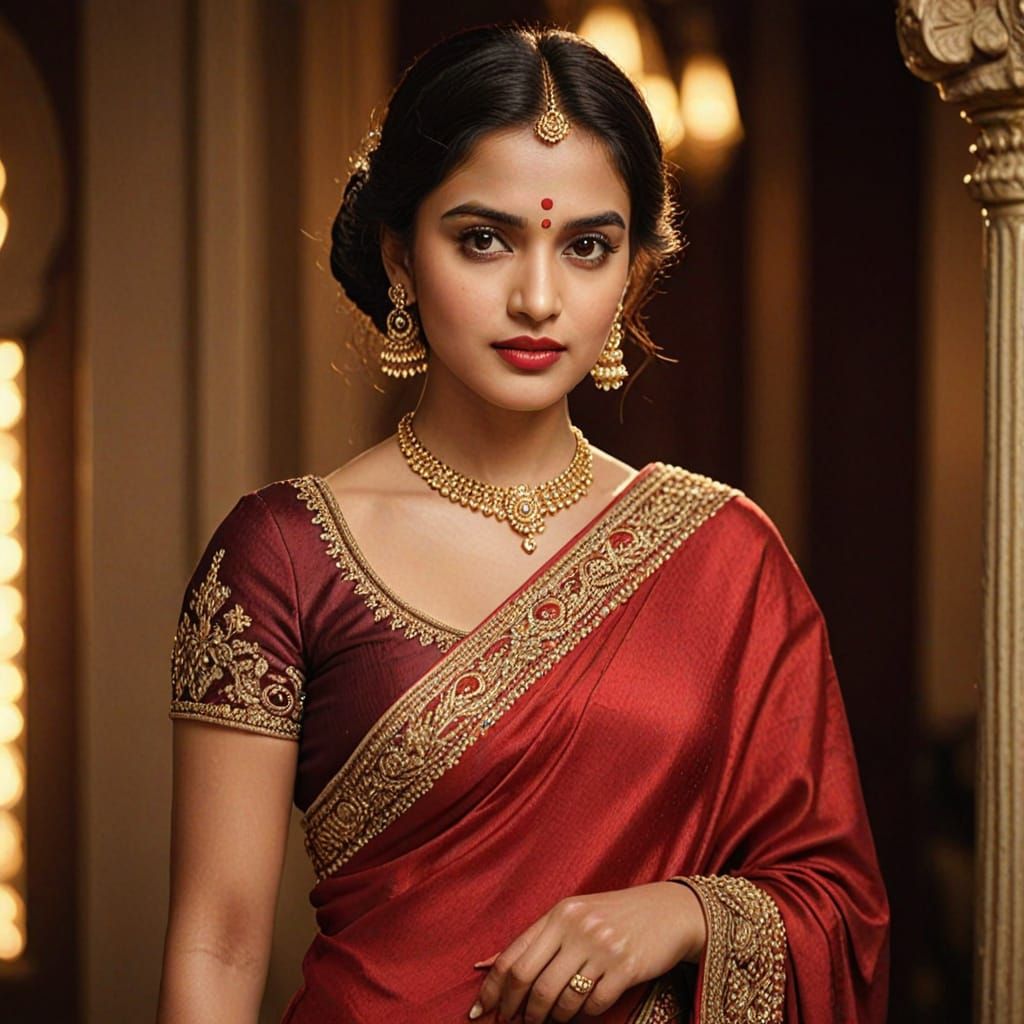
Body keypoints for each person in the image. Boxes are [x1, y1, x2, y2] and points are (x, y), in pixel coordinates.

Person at [157, 23, 890, 1024]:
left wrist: (684, 913)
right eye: (483, 238)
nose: (538, 298)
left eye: (586, 246)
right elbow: (218, 941)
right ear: (400, 257)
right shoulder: (282, 554)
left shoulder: (728, 558)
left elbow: (841, 908)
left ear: (632, 273)